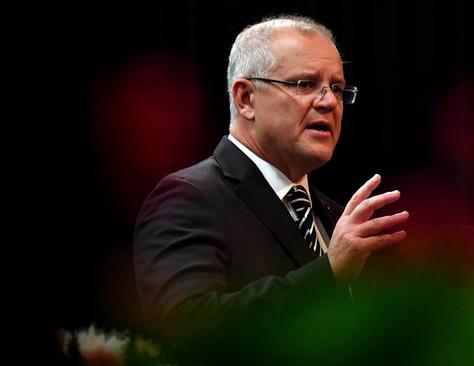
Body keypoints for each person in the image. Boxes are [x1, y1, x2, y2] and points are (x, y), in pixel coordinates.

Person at [133, 15, 409, 362]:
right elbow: (186, 329)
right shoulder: (188, 197)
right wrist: (329, 271)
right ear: (245, 98)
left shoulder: (334, 217)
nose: (329, 102)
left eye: (337, 88)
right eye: (304, 84)